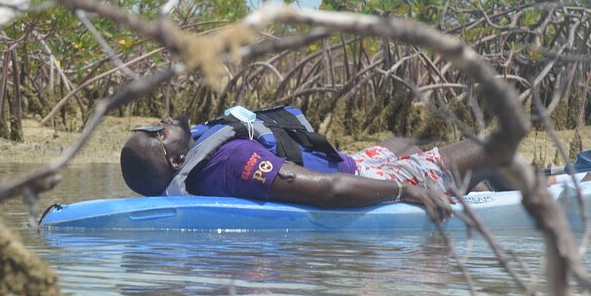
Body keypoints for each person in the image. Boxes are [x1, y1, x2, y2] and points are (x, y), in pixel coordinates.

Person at [119, 106, 495, 221]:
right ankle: (538, 188)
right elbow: (327, 191)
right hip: (366, 178)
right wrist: (405, 190)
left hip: (349, 162)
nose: (162, 123)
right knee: (490, 148)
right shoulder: (231, 161)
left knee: (407, 141)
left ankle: (477, 185)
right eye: (158, 132)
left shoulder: (198, 149)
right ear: (174, 159)